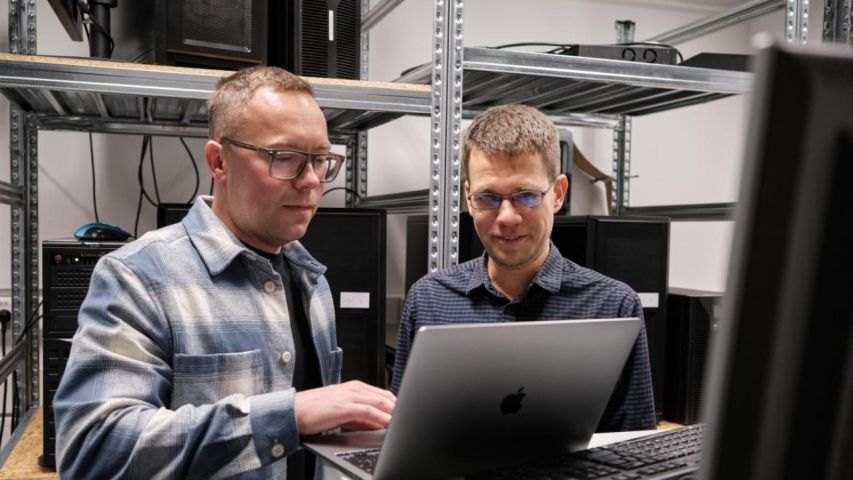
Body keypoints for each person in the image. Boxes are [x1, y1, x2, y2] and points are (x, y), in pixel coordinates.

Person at [54, 66, 396, 479]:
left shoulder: (313, 282)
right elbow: (94, 450)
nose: (310, 181)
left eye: (321, 160)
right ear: (219, 161)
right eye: (284, 158)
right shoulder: (139, 277)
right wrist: (291, 414)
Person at [391, 104, 656, 432]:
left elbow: (632, 448)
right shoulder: (428, 300)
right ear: (467, 197)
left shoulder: (613, 306)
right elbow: (403, 432)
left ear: (557, 194)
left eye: (526, 196)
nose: (507, 218)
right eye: (487, 198)